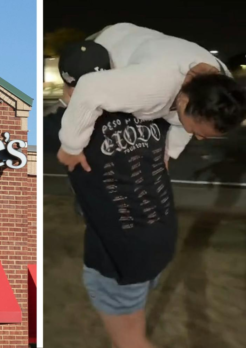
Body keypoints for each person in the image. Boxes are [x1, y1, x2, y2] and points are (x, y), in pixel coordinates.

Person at [60, 40, 176, 348]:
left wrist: (68, 102)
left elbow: (62, 127)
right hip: (160, 241)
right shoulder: (155, 113)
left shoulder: (69, 130)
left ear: (71, 86)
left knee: (131, 342)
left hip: (116, 259)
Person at [57, 23, 246, 173]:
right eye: (200, 132)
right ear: (184, 101)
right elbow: (89, 88)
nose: (199, 138)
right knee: (77, 104)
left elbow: (183, 123)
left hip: (146, 47)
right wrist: (71, 147)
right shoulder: (151, 87)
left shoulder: (220, 89)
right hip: (103, 46)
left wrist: (167, 155)